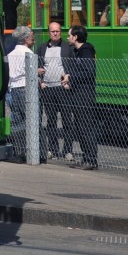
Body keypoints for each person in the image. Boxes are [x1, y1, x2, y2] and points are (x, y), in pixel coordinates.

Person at [63, 24, 98, 170]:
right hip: (77, 93)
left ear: (75, 37)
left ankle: (91, 159)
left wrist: (71, 76)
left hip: (85, 95)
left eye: (69, 35)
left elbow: (89, 72)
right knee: (79, 127)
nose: (67, 37)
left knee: (85, 127)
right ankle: (86, 157)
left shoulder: (86, 51)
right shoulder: (77, 51)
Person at [36, 21, 73, 160]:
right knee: (51, 121)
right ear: (49, 33)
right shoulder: (41, 48)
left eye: (57, 31)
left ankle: (67, 151)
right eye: (53, 31)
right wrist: (41, 81)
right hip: (48, 89)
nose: (55, 33)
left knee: (67, 120)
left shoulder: (67, 47)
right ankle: (52, 149)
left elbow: (73, 66)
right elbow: (37, 66)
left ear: (60, 32)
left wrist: (69, 81)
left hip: (63, 88)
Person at [6, 25, 36, 162]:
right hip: (24, 88)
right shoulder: (29, 54)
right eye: (31, 37)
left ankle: (17, 149)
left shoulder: (10, 54)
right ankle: (32, 151)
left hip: (12, 89)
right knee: (30, 119)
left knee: (16, 119)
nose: (33, 39)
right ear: (25, 39)